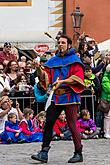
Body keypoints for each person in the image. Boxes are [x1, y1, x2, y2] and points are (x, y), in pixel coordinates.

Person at [31, 34, 84, 163]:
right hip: (57, 96)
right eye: (59, 42)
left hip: (70, 96)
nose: (60, 44)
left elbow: (78, 77)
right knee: (49, 121)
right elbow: (45, 77)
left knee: (72, 124)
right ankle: (44, 152)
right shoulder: (53, 61)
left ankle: (78, 152)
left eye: (63, 42)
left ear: (69, 45)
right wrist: (38, 69)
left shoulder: (74, 60)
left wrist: (63, 81)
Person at [101, 64, 110, 138]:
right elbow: (107, 88)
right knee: (107, 116)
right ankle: (106, 132)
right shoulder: (105, 78)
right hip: (107, 100)